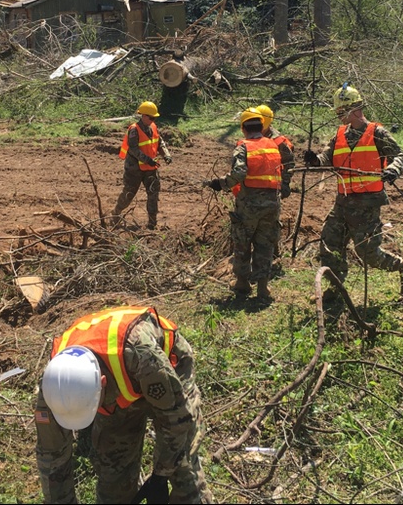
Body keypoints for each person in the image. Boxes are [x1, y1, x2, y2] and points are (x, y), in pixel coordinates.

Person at [36, 305, 213, 504]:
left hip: (169, 370)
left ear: (102, 383)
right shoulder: (53, 386)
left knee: (183, 468)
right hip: (120, 384)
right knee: (114, 473)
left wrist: (160, 476)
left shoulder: (142, 354)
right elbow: (51, 457)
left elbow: (177, 421)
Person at [303, 84, 403, 298]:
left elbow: (400, 156)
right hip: (343, 201)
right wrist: (314, 160)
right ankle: (335, 288)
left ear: (354, 109)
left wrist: (393, 170)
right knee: (330, 243)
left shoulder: (377, 132)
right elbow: (327, 157)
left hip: (368, 203)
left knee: (367, 254)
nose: (338, 116)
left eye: (341, 111)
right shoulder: (339, 134)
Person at [205, 108, 293, 300]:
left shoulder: (243, 146)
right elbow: (286, 166)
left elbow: (239, 173)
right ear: (262, 127)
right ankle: (263, 287)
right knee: (265, 244)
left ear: (243, 128)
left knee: (242, 242)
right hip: (272, 204)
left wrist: (220, 184)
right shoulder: (273, 145)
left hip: (249, 204)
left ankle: (243, 283)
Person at [111, 101, 172, 230]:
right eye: (151, 117)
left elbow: (160, 142)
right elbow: (133, 149)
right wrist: (147, 160)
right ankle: (116, 213)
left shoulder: (153, 127)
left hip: (150, 168)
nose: (153, 120)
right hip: (135, 169)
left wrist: (166, 154)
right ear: (143, 116)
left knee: (153, 194)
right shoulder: (134, 130)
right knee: (129, 194)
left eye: (154, 118)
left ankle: (152, 223)